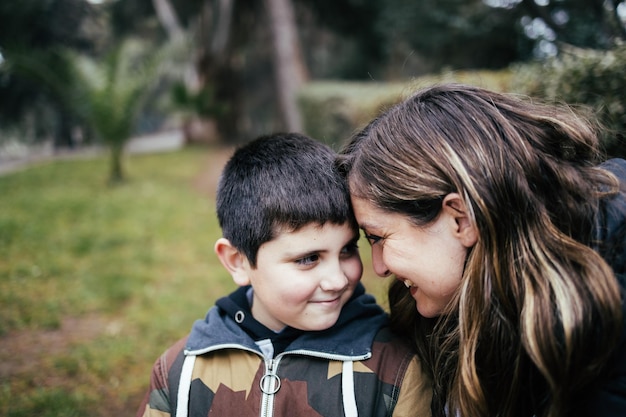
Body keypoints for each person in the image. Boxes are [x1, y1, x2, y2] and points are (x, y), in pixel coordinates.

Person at [336, 83, 626, 417]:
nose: (380, 267)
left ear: (460, 220)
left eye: (378, 237)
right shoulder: (465, 307)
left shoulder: (605, 330)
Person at [135, 132, 432, 417]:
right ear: (238, 262)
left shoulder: (394, 367)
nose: (338, 281)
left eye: (347, 249)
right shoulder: (179, 372)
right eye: (308, 259)